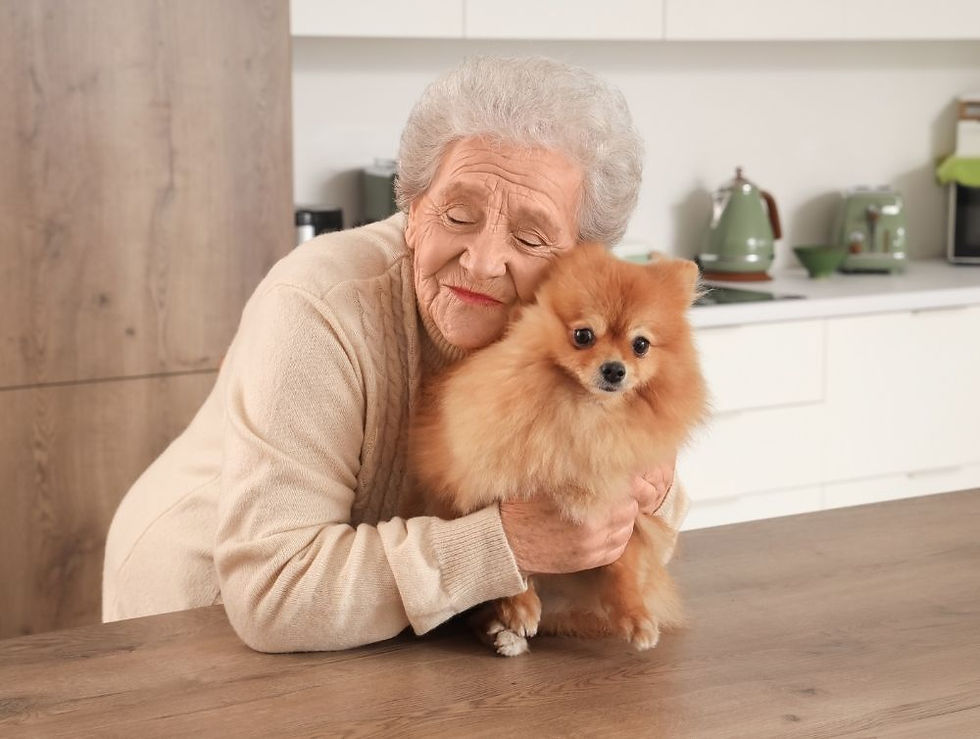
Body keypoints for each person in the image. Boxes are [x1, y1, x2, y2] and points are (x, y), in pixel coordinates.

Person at [102, 56, 688, 652]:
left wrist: (650, 487)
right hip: (200, 619)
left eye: (529, 236)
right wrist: (505, 546)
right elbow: (274, 593)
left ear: (578, 261)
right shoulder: (318, 301)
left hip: (381, 631)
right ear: (411, 210)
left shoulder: (576, 331)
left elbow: (620, 532)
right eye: (458, 214)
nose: (483, 261)